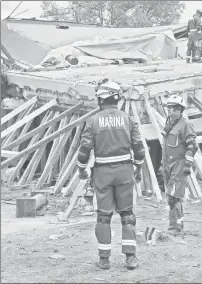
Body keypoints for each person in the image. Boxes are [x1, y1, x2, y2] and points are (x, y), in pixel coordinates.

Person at [77, 80, 145, 270]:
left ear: (101, 99)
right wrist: (138, 169)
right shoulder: (128, 119)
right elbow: (139, 149)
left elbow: (84, 149)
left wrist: (81, 169)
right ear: (117, 98)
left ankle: (104, 259)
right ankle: (131, 258)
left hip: (102, 174)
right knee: (127, 215)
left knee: (103, 217)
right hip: (125, 172)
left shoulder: (93, 121)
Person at [162, 95, 198, 232]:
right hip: (167, 164)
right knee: (172, 196)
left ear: (179, 110)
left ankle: (174, 228)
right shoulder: (170, 124)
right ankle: (178, 225)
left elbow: (193, 146)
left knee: (174, 197)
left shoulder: (186, 125)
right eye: (168, 108)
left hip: (179, 164)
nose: (169, 111)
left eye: (172, 108)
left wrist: (187, 164)